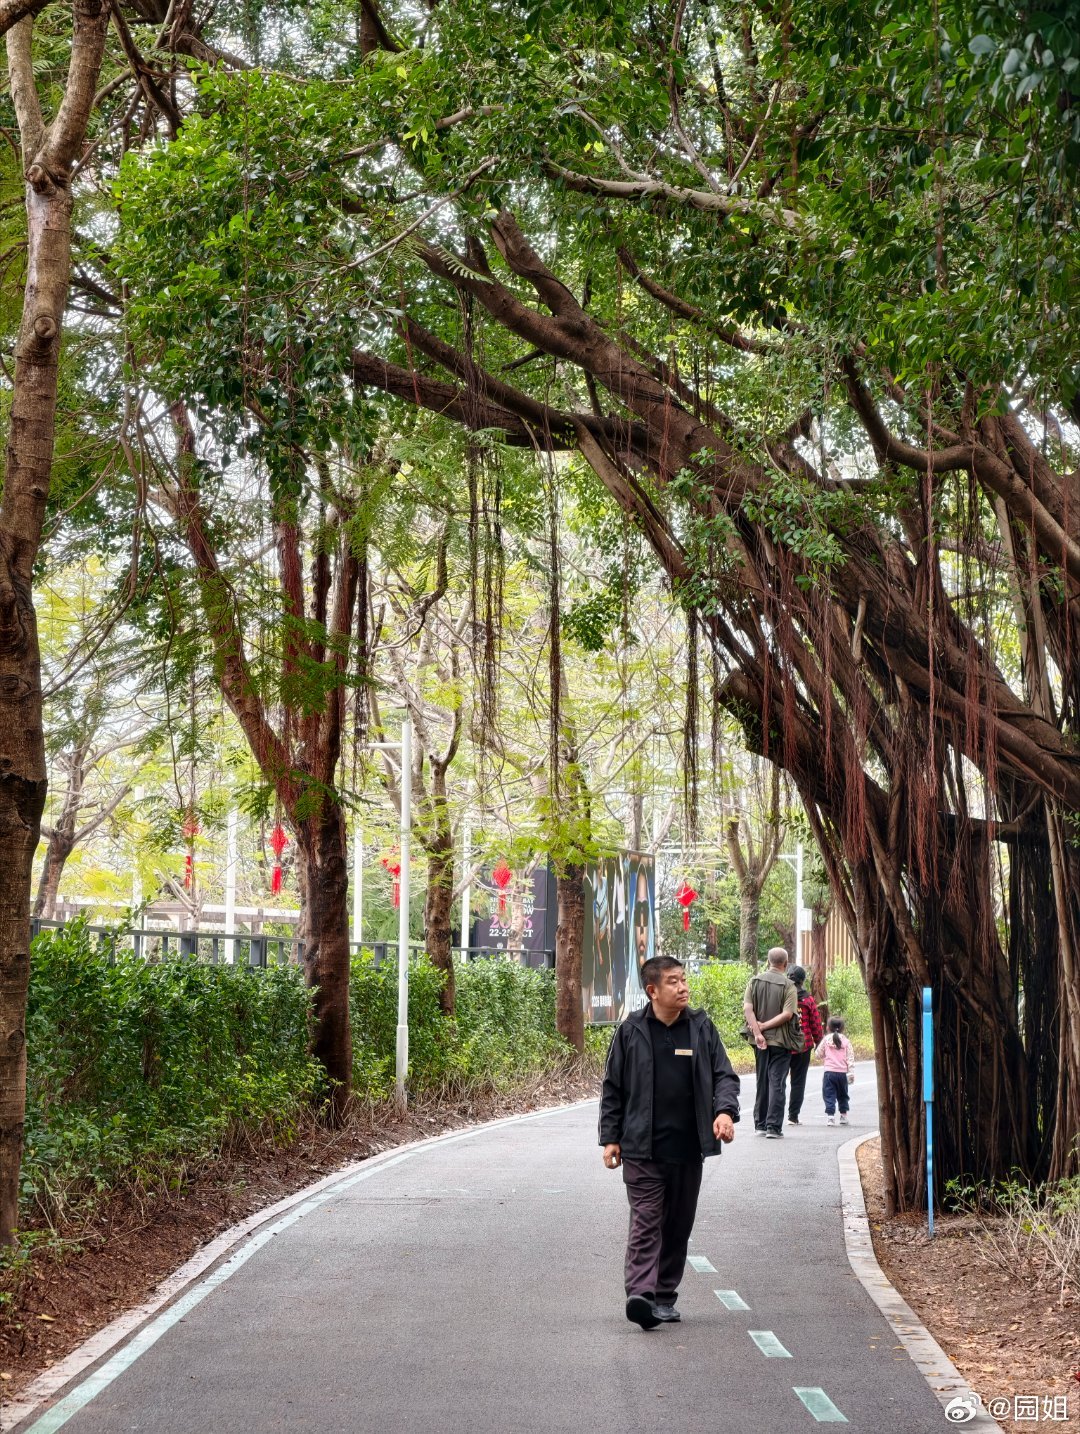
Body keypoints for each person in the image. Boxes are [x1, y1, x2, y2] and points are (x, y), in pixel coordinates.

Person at [599, 955, 740, 1330]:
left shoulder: (700, 1027)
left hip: (689, 1148)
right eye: (674, 982)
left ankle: (664, 1296)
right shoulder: (631, 1030)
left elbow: (725, 1075)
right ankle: (641, 1295)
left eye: (683, 980)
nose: (683, 987)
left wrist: (724, 1112)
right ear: (653, 990)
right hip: (641, 1148)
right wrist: (609, 1138)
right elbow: (613, 1087)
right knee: (647, 1221)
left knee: (677, 1225)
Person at [742, 946, 799, 1139]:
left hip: (759, 1041)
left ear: (768, 961)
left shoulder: (754, 981)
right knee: (777, 1082)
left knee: (762, 1080)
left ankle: (760, 1125)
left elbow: (748, 1009)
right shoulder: (788, 985)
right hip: (780, 1041)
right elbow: (787, 1014)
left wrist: (758, 1033)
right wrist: (765, 1027)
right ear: (785, 963)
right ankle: (773, 1127)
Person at [785, 965, 824, 1126]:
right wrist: (818, 1042)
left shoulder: (783, 997)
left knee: (777, 1081)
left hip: (783, 1045)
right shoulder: (808, 999)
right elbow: (815, 1024)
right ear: (802, 981)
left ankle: (773, 1117)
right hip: (803, 1046)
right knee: (798, 1082)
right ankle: (793, 1116)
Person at [815, 1016, 856, 1125]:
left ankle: (830, 1117)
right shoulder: (846, 1041)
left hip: (829, 1073)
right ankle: (843, 1116)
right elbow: (850, 1058)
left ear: (828, 1028)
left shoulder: (826, 1040)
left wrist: (824, 1057)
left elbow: (817, 1054)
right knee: (843, 1094)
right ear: (843, 1028)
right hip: (843, 1074)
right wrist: (851, 1073)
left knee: (829, 1094)